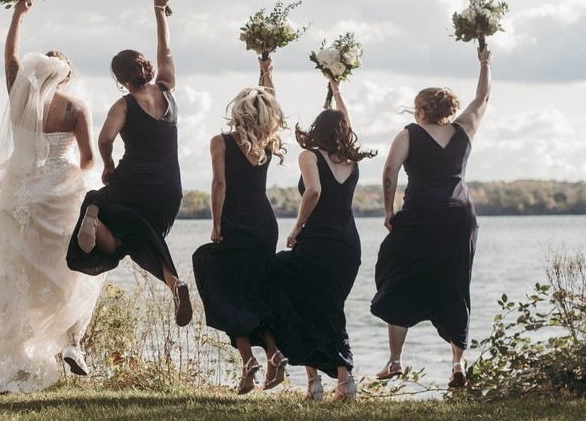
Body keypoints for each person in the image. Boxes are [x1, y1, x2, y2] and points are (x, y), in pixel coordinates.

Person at [0, 0, 102, 394]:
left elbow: (10, 58)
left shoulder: (20, 100)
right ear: (66, 76)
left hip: (18, 195)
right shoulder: (75, 108)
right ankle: (71, 343)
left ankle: (18, 357)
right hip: (58, 194)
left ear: (33, 75)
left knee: (15, 274)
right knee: (69, 270)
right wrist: (63, 173)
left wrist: (19, 11)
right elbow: (89, 159)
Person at [370, 45, 492, 388]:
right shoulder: (464, 129)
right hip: (459, 217)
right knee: (456, 284)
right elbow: (482, 97)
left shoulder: (409, 134)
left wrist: (388, 209)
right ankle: (457, 363)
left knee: (397, 276)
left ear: (422, 109)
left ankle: (395, 360)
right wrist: (485, 63)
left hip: (420, 215)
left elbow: (389, 171)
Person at [68, 0, 190, 326]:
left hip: (131, 184)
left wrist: (107, 165)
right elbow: (165, 49)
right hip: (168, 190)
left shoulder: (123, 105)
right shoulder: (167, 91)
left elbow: (105, 138)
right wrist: (159, 11)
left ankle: (94, 211)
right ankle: (173, 282)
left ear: (121, 79)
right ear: (146, 68)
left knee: (113, 225)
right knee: (138, 237)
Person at [271, 79, 376, 401]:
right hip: (347, 245)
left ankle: (326, 383)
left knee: (300, 299)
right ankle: (335, 384)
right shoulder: (351, 159)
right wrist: (338, 91)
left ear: (316, 129)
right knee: (328, 308)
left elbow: (314, 191)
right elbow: (347, 122)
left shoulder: (309, 156)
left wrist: (295, 229)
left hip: (317, 242)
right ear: (345, 132)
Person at [192, 60, 291, 394]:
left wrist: (216, 224)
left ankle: (249, 359)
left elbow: (219, 185)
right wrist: (266, 74)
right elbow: (271, 102)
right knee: (253, 293)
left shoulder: (220, 141)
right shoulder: (266, 142)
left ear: (238, 110)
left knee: (219, 280)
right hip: (264, 225)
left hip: (236, 221)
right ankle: (273, 354)